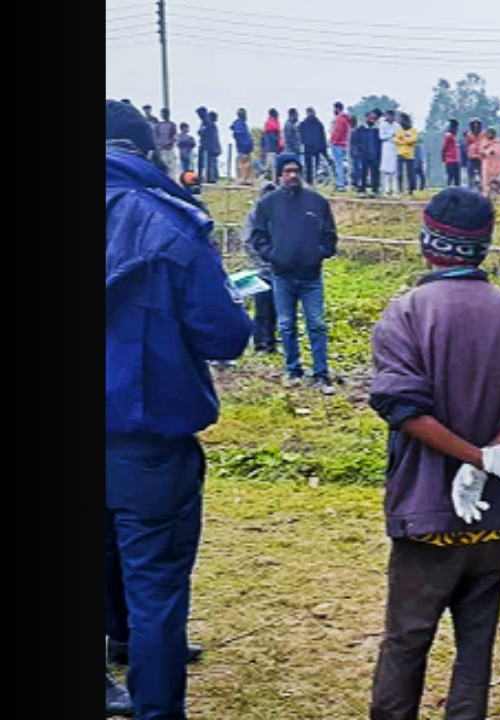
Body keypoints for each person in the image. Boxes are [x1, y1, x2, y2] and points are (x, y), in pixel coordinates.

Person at [367, 187, 500, 720]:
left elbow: (402, 406)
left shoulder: (407, 313)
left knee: (407, 641)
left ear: (428, 240)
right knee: (475, 645)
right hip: (495, 519)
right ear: (483, 245)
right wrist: (493, 457)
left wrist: (474, 460)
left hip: (429, 512)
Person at [106, 99, 253, 720]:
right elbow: (223, 336)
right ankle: (156, 710)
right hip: (145, 444)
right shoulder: (168, 224)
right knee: (155, 590)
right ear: (148, 151)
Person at [250, 154, 339, 392]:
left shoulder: (317, 202)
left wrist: (319, 253)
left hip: (311, 276)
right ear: (279, 175)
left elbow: (329, 235)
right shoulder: (268, 204)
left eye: (296, 170)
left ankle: (321, 373)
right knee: (286, 324)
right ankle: (293, 369)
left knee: (317, 324)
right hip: (282, 275)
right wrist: (273, 255)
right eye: (288, 171)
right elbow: (258, 236)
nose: (293, 175)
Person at [242, 182, 280, 354]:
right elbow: (248, 241)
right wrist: (261, 260)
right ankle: (260, 343)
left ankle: (271, 342)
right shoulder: (255, 215)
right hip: (262, 267)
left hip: (280, 267)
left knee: (277, 308)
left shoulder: (281, 214)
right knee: (262, 307)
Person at [353, 110, 384, 196]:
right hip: (363, 155)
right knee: (362, 173)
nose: (372, 120)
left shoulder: (377, 130)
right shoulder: (359, 130)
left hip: (374, 155)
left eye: (374, 118)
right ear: (366, 118)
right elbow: (355, 143)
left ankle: (375, 190)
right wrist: (357, 153)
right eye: (370, 118)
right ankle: (361, 190)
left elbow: (379, 143)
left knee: (375, 172)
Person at [299, 107, 329, 187]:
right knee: (314, 165)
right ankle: (312, 180)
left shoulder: (303, 124)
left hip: (308, 147)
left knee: (309, 166)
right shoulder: (318, 124)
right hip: (316, 148)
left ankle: (310, 182)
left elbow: (301, 137)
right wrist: (324, 151)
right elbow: (322, 138)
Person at [393, 112, 420, 195]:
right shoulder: (400, 130)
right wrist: (405, 141)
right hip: (400, 153)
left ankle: (412, 189)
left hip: (409, 154)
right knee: (400, 173)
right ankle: (400, 189)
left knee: (411, 173)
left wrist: (402, 140)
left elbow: (413, 140)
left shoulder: (413, 130)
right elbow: (395, 140)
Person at [479, 127, 500, 200]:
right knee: (486, 182)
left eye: (492, 133)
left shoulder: (498, 143)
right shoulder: (484, 143)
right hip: (487, 165)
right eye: (489, 133)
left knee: (497, 183)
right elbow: (481, 153)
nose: (490, 135)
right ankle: (486, 196)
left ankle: (496, 197)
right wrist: (487, 152)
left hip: (498, 166)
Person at [331, 101, 353, 193]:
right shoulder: (347, 119)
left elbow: (337, 132)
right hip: (344, 144)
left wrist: (333, 141)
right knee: (344, 165)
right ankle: (344, 183)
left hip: (338, 144)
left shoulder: (340, 119)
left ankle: (341, 184)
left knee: (338, 165)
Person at [196, 106, 220, 183]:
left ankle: (211, 179)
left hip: (210, 147)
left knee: (210, 164)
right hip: (205, 146)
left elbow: (208, 135)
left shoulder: (209, 123)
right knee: (204, 164)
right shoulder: (203, 123)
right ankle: (203, 178)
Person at [231, 108, 254, 185]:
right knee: (243, 163)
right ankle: (243, 178)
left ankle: (247, 179)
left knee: (247, 164)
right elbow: (240, 137)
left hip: (246, 147)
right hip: (243, 147)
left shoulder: (243, 124)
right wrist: (246, 145)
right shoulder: (239, 125)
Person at [379, 111, 400, 196]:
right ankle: (386, 190)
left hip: (395, 147)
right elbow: (381, 136)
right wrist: (391, 135)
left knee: (394, 170)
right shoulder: (382, 125)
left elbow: (399, 135)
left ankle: (395, 190)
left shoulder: (397, 125)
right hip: (386, 147)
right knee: (386, 170)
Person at [155, 108, 178, 180]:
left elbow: (174, 136)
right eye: (163, 114)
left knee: (171, 166)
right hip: (162, 148)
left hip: (169, 148)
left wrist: (170, 143)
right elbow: (156, 136)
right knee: (163, 165)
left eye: (165, 114)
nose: (164, 115)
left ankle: (172, 179)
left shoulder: (172, 124)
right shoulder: (159, 125)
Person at [261, 109, 283, 180]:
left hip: (269, 149)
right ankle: (274, 180)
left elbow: (263, 138)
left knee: (269, 166)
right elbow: (276, 138)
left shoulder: (267, 124)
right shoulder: (274, 125)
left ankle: (268, 178)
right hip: (273, 149)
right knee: (273, 166)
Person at [465, 119, 485, 190]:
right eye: (474, 125)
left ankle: (482, 187)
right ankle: (470, 187)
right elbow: (467, 145)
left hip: (480, 157)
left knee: (482, 173)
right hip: (472, 157)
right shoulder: (469, 135)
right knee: (471, 174)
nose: (476, 127)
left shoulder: (483, 135)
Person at [442, 119, 463, 188]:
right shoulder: (449, 136)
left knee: (456, 178)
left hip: (455, 159)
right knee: (451, 177)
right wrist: (443, 157)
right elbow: (444, 147)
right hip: (450, 160)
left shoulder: (453, 136)